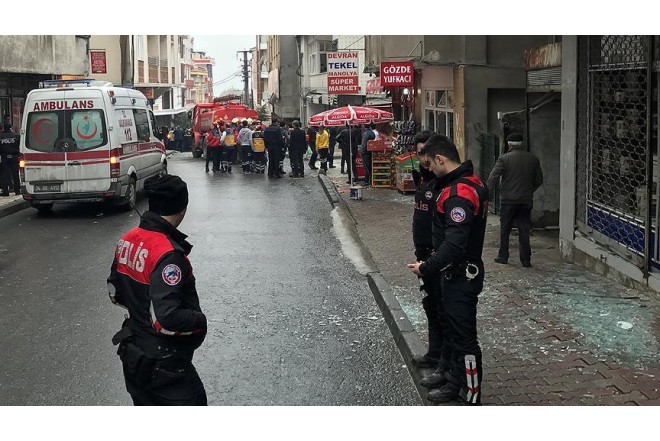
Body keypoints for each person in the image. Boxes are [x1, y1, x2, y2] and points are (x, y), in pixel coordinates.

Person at [107, 174, 208, 405]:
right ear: (182, 208)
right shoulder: (168, 254)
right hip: (165, 364)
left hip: (134, 354)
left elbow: (115, 292)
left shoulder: (127, 239)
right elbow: (167, 317)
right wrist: (200, 321)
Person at [407, 134, 488, 406]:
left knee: (464, 340)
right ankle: (453, 382)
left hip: (462, 274)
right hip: (453, 272)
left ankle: (470, 396)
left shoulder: (459, 192)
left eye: (430, 163)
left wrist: (427, 267)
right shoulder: (459, 184)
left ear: (441, 158)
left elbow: (455, 243)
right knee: (452, 332)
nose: (428, 169)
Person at [409, 130, 449, 376]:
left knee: (442, 309)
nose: (425, 159)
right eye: (420, 153)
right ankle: (435, 353)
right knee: (430, 306)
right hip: (422, 253)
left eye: (428, 153)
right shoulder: (423, 178)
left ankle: (445, 363)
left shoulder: (443, 181)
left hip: (438, 256)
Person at [486, 133, 543, 268]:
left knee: (505, 229)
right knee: (524, 229)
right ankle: (526, 260)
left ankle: (503, 256)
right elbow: (539, 179)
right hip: (525, 200)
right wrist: (529, 190)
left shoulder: (504, 159)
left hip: (508, 200)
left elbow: (492, 178)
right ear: (521, 144)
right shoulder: (533, 159)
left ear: (509, 144)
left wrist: (487, 196)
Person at [0, 117, 21, 196]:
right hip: (14, 157)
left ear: (3, 128)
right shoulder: (16, 136)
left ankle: (5, 191)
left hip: (4, 157)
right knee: (15, 173)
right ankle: (17, 190)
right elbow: (19, 146)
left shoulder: (1, 137)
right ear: (11, 127)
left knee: (5, 174)